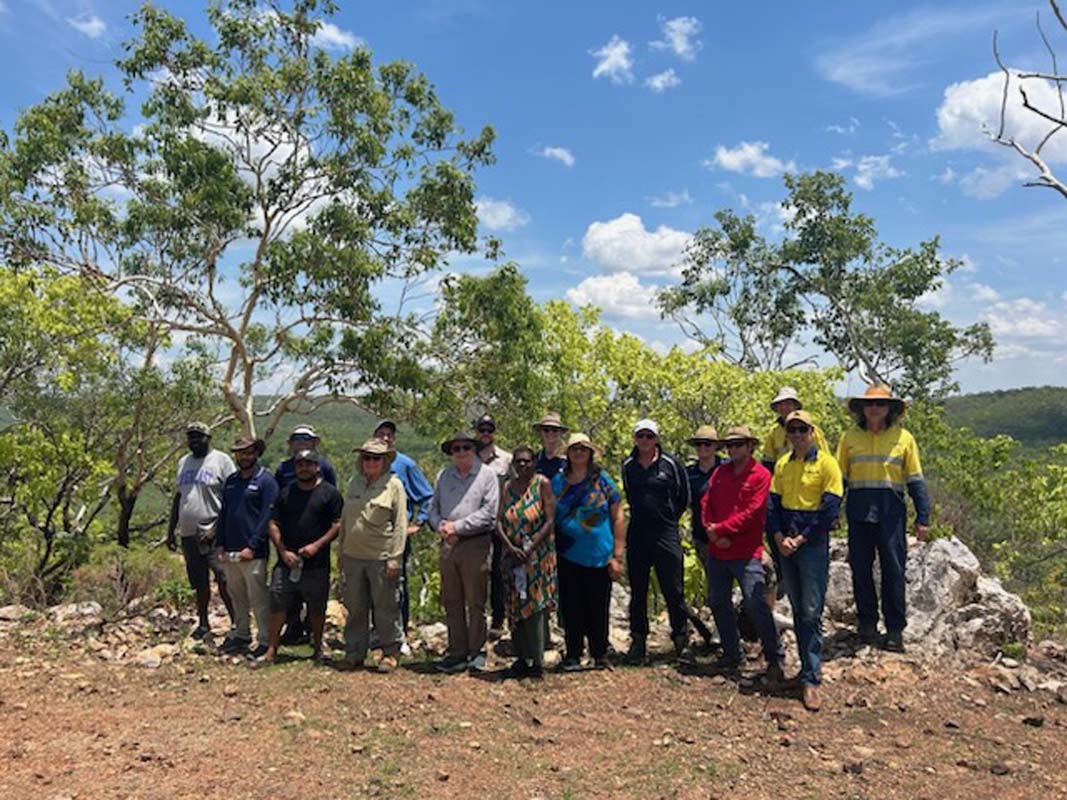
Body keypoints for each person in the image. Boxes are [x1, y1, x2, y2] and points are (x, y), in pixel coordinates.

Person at [836, 384, 930, 653]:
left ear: (889, 408)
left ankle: (894, 629)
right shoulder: (849, 438)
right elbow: (839, 479)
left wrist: (923, 516)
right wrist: (831, 513)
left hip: (891, 513)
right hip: (859, 511)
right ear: (862, 409)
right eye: (869, 404)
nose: (874, 409)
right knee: (861, 569)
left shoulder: (904, 438)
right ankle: (867, 624)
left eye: (879, 404)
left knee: (894, 570)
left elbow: (915, 480)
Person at [767, 411, 843, 711]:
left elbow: (830, 509)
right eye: (792, 429)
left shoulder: (827, 464)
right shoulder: (784, 464)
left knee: (812, 610)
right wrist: (778, 537)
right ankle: (804, 672)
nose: (797, 434)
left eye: (802, 429)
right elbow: (773, 505)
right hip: (786, 541)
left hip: (811, 544)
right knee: (798, 609)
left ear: (811, 431)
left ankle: (811, 679)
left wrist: (800, 539)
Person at [701, 427, 784, 683]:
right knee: (718, 601)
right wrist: (711, 531)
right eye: (730, 445)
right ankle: (731, 652)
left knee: (755, 602)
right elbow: (706, 503)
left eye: (739, 444)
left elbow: (753, 512)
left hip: (746, 552)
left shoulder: (760, 475)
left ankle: (774, 657)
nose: (734, 449)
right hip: (717, 550)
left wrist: (722, 529)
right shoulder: (720, 472)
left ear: (750, 446)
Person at [261, 449, 342, 664]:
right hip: (286, 561)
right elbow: (273, 523)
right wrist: (282, 550)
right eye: (300, 465)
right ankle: (271, 650)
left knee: (317, 607)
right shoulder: (286, 493)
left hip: (316, 563)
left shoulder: (329, 493)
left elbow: (338, 524)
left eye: (309, 464)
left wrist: (317, 546)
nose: (304, 468)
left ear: (317, 467)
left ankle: (317, 648)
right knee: (277, 602)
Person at [552, 433, 625, 671]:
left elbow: (617, 515)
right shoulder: (558, 482)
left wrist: (617, 554)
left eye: (583, 449)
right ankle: (573, 653)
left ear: (590, 453)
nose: (579, 453)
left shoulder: (603, 481)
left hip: (599, 555)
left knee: (598, 605)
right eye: (574, 449)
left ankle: (600, 653)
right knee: (571, 605)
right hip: (567, 553)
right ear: (568, 453)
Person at [428, 430, 500, 673]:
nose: (461, 453)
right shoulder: (444, 476)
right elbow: (433, 508)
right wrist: (441, 526)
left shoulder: (487, 475)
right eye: (456, 449)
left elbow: (489, 512)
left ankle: (477, 650)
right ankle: (456, 651)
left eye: (465, 448)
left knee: (476, 600)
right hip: (448, 544)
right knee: (452, 599)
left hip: (475, 544)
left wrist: (457, 527)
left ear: (474, 450)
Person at [621, 419, 691, 661]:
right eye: (641, 436)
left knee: (673, 588)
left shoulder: (671, 464)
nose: (645, 441)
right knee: (638, 590)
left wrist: (669, 519)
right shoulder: (628, 466)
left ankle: (681, 639)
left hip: (666, 532)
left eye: (650, 436)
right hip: (638, 532)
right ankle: (638, 641)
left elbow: (683, 496)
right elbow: (629, 495)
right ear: (635, 438)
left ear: (657, 439)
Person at [337, 438, 408, 672]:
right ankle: (355, 652)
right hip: (353, 555)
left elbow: (400, 525)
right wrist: (341, 552)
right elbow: (346, 519)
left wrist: (395, 557)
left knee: (385, 607)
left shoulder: (394, 485)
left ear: (385, 461)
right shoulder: (354, 483)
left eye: (376, 458)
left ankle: (390, 652)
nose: (370, 462)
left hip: (381, 556)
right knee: (355, 607)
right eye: (366, 457)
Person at [166, 422, 236, 639]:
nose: (194, 441)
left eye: (199, 437)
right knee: (199, 581)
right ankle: (204, 623)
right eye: (191, 437)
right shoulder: (183, 463)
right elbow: (179, 497)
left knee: (223, 578)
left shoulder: (221, 460)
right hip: (188, 532)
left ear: (209, 438)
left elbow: (231, 496)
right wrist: (171, 530)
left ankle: (237, 623)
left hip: (215, 530)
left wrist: (218, 528)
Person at [214, 436, 279, 657]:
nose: (244, 457)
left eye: (248, 452)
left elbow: (266, 517)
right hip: (230, 551)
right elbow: (224, 514)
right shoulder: (231, 481)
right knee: (236, 595)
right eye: (240, 453)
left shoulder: (266, 481)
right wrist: (220, 543)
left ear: (256, 453)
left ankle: (264, 640)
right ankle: (241, 635)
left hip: (253, 553)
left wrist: (252, 545)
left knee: (258, 598)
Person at [273, 424, 338, 646]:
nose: (301, 442)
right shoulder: (283, 469)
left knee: (315, 591)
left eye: (306, 439)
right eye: (297, 438)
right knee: (286, 591)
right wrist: (280, 544)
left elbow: (332, 505)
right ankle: (293, 627)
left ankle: (313, 632)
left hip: (316, 540)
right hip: (288, 538)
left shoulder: (325, 468)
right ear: (291, 443)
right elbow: (278, 502)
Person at [496, 445, 556, 678]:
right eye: (518, 462)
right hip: (512, 556)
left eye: (526, 461)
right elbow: (499, 521)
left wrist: (531, 547)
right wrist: (510, 548)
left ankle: (537, 661)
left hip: (538, 557)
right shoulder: (508, 487)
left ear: (534, 463)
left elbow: (549, 520)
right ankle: (521, 657)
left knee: (535, 607)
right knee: (515, 605)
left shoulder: (542, 484)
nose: (522, 465)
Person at [373, 419, 434, 637]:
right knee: (373, 582)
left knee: (397, 581)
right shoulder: (368, 462)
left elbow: (427, 495)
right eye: (381, 434)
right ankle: (377, 629)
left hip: (397, 535)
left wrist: (418, 522)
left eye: (390, 434)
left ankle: (401, 629)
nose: (386, 438)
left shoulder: (405, 464)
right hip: (372, 535)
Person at [683, 425, 724, 649]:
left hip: (730, 536)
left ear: (716, 447)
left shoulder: (727, 469)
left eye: (707, 444)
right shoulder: (689, 474)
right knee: (715, 585)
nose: (703, 448)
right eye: (699, 444)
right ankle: (720, 630)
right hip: (703, 538)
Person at [475, 413, 513, 639]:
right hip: (476, 522)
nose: (486, 434)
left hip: (500, 522)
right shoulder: (470, 457)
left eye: (489, 430)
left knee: (499, 571)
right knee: (478, 571)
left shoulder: (506, 460)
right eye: (482, 429)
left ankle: (499, 619)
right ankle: (477, 618)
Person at [760, 387, 829, 472]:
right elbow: (768, 462)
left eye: (788, 404)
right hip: (784, 479)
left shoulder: (812, 430)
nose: (784, 407)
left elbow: (825, 460)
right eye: (781, 404)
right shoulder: (774, 432)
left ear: (796, 406)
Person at [532, 412, 569, 477]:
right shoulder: (535, 459)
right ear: (540, 432)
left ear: (561, 432)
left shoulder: (569, 458)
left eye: (555, 430)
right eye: (546, 430)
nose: (550, 433)